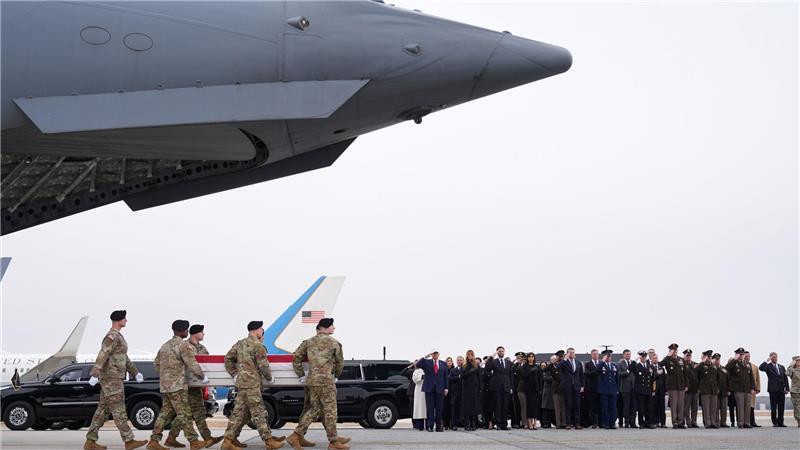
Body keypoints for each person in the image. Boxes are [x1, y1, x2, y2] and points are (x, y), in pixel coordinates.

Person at [84, 310, 147, 450]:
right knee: (119, 409)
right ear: (119, 320)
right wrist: (95, 372)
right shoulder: (112, 336)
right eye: (125, 318)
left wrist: (135, 373)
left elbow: (124, 357)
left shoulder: (119, 336)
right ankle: (129, 440)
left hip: (114, 377)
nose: (126, 320)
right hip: (111, 378)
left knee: (102, 411)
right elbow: (104, 353)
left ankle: (90, 441)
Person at [286, 318, 348, 450]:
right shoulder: (334, 343)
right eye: (332, 326)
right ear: (325, 328)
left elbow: (296, 357)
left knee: (315, 408)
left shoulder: (308, 342)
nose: (334, 328)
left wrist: (301, 374)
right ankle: (299, 435)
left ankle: (333, 438)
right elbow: (340, 363)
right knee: (329, 411)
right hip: (326, 382)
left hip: (312, 382)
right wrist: (336, 375)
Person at [222, 321, 285, 450]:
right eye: (261, 329)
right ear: (256, 330)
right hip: (252, 384)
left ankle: (229, 441)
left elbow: (228, 358)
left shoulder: (240, 344)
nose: (262, 331)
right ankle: (268, 441)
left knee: (240, 413)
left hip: (242, 383)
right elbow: (263, 365)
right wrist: (269, 377)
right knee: (259, 412)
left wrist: (234, 374)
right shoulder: (258, 346)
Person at [147, 320, 209, 450]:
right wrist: (202, 377)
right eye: (186, 330)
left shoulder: (165, 346)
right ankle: (194, 441)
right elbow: (191, 363)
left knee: (165, 413)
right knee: (185, 413)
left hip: (166, 386)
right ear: (182, 331)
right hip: (178, 386)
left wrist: (166, 376)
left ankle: (154, 441)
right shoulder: (183, 345)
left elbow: (156, 363)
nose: (187, 332)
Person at [163, 325, 223, 448]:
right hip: (185, 385)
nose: (204, 334)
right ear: (196, 333)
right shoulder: (184, 346)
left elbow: (207, 364)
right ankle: (180, 438)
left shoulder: (202, 348)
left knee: (199, 412)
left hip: (196, 386)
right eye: (202, 332)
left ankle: (206, 438)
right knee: (185, 414)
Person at [413, 349, 449, 432]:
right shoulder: (427, 362)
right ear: (432, 354)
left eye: (436, 353)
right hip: (429, 388)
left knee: (439, 408)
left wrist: (446, 388)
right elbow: (418, 364)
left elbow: (445, 377)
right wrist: (426, 356)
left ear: (439, 354)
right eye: (434, 353)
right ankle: (430, 426)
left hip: (440, 388)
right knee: (430, 408)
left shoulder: (443, 363)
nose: (435, 355)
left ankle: (439, 426)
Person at [485, 346, 513, 430]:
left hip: (506, 387)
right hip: (496, 387)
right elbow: (487, 367)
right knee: (498, 406)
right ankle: (499, 424)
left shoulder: (508, 362)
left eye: (502, 351)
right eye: (499, 351)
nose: (501, 352)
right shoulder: (494, 361)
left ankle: (504, 424)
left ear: (504, 352)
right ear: (497, 352)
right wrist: (492, 356)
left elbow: (511, 375)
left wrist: (511, 387)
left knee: (505, 406)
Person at [726, 347, 754, 429]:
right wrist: (734, 359)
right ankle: (740, 423)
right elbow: (727, 368)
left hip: (747, 389)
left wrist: (752, 387)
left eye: (742, 354)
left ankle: (747, 422)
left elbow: (751, 377)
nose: (742, 356)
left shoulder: (747, 364)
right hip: (738, 389)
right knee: (740, 406)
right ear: (737, 354)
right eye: (740, 354)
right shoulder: (734, 363)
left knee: (747, 406)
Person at [759, 352, 790, 427]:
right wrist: (767, 360)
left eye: (775, 357)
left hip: (781, 389)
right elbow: (760, 368)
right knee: (773, 407)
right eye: (773, 357)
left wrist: (787, 388)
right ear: (770, 358)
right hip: (773, 389)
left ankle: (780, 422)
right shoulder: (768, 366)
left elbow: (785, 378)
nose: (775, 358)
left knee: (781, 406)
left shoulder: (781, 367)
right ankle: (775, 422)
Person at [660, 343, 687, 428]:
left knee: (681, 405)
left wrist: (686, 384)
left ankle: (681, 421)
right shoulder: (667, 359)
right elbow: (660, 365)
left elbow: (685, 373)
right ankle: (674, 422)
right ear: (670, 351)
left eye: (676, 350)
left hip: (681, 385)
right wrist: (668, 356)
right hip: (672, 386)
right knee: (674, 405)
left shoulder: (681, 360)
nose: (675, 352)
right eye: (673, 350)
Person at [558, 347, 584, 430]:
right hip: (567, 386)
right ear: (567, 353)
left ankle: (577, 423)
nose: (572, 354)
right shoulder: (564, 362)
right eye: (570, 352)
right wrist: (564, 359)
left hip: (576, 386)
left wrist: (582, 386)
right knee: (568, 405)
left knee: (577, 405)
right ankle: (568, 423)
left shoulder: (578, 362)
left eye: (573, 352)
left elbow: (581, 375)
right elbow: (558, 367)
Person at [696, 350, 719, 428]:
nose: (709, 358)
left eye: (710, 357)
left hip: (713, 390)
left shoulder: (714, 366)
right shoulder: (701, 366)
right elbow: (695, 371)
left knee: (713, 408)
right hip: (705, 390)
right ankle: (707, 423)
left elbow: (718, 378)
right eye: (708, 357)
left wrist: (717, 388)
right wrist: (702, 362)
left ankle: (713, 422)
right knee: (706, 408)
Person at [631, 350, 654, 428]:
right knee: (641, 408)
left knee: (649, 408)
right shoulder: (637, 366)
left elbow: (652, 377)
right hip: (640, 390)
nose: (644, 358)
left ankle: (648, 422)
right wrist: (635, 360)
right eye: (642, 357)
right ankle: (641, 423)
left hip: (648, 390)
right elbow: (630, 367)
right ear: (640, 357)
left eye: (645, 357)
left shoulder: (649, 366)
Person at [596, 350, 619, 429]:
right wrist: (602, 361)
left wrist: (617, 389)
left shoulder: (614, 366)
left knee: (613, 407)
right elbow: (597, 370)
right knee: (604, 407)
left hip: (612, 390)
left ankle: (612, 423)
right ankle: (606, 423)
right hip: (604, 390)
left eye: (609, 356)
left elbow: (617, 379)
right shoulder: (601, 365)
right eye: (607, 356)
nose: (608, 358)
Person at [460, 350, 482, 431]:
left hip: (475, 388)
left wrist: (480, 388)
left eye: (471, 354)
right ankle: (467, 423)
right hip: (467, 389)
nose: (470, 356)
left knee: (474, 407)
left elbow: (480, 378)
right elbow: (462, 376)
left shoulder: (477, 365)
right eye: (469, 354)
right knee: (467, 407)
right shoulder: (464, 365)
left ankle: (473, 423)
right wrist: (469, 372)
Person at [521, 353, 543, 430]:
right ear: (527, 358)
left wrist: (540, 389)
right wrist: (531, 371)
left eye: (532, 357)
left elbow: (541, 378)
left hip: (536, 389)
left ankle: (535, 422)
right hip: (528, 389)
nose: (531, 358)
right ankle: (529, 422)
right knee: (529, 406)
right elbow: (524, 376)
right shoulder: (525, 366)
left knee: (535, 406)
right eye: (529, 357)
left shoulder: (537, 367)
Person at [617, 349, 636, 428]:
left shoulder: (633, 363)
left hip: (633, 388)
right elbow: (619, 374)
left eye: (629, 354)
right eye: (627, 354)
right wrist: (627, 371)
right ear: (623, 355)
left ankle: (633, 422)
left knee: (633, 406)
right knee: (626, 406)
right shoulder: (620, 363)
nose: (628, 355)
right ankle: (627, 422)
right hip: (625, 388)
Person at [583, 349, 600, 428]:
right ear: (591, 355)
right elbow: (588, 374)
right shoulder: (587, 364)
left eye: (596, 354)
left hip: (600, 388)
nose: (595, 355)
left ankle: (601, 422)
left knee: (600, 406)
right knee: (592, 406)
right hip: (591, 388)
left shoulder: (601, 363)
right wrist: (597, 369)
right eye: (594, 354)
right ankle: (593, 423)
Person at [682, 349, 700, 428]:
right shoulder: (682, 364)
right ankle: (688, 421)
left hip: (695, 389)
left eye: (689, 355)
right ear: (684, 356)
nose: (688, 357)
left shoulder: (695, 364)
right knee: (686, 407)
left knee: (695, 407)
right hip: (687, 389)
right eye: (687, 355)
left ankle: (694, 421)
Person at [743, 351, 761, 427]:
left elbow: (757, 378)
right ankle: (744, 422)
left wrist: (757, 388)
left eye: (748, 356)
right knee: (744, 407)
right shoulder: (741, 365)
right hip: (743, 390)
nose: (747, 357)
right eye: (746, 356)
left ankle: (752, 421)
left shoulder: (754, 367)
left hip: (752, 390)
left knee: (751, 406)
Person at [549, 351, 566, 429]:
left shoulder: (564, 365)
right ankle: (558, 423)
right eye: (560, 357)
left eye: (562, 357)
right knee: (557, 407)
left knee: (564, 407)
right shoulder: (553, 366)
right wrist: (552, 363)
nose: (561, 358)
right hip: (556, 388)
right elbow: (546, 370)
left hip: (564, 388)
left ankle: (564, 422)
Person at [650, 352, 667, 428]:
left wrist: (665, 389)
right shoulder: (650, 367)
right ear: (651, 359)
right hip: (654, 390)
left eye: (656, 358)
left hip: (661, 390)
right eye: (653, 358)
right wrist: (657, 373)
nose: (655, 359)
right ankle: (655, 421)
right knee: (654, 406)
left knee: (662, 407)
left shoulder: (661, 367)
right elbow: (652, 377)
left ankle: (663, 422)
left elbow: (664, 379)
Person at [713, 353, 730, 428]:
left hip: (724, 391)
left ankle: (723, 422)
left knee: (724, 408)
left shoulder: (723, 368)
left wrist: (729, 390)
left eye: (718, 359)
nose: (717, 361)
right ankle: (716, 422)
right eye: (716, 359)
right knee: (716, 408)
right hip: (715, 391)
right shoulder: (712, 368)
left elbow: (728, 380)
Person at [448, 356, 464, 430]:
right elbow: (450, 379)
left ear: (463, 361)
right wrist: (458, 377)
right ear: (456, 361)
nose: (459, 361)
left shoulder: (465, 370)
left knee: (464, 409)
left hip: (464, 393)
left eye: (461, 360)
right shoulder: (453, 370)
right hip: (455, 393)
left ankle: (465, 424)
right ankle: (454, 425)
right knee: (454, 410)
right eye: (458, 360)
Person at [511, 352, 525, 428]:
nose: (520, 359)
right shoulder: (514, 366)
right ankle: (516, 422)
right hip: (516, 388)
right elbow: (512, 373)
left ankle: (523, 422)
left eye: (521, 357)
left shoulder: (525, 366)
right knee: (516, 406)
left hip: (523, 388)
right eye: (518, 357)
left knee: (523, 406)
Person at [411, 364, 427, 430]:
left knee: (427, 408)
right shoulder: (417, 371)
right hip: (419, 391)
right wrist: (422, 377)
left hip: (427, 390)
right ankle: (420, 426)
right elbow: (414, 379)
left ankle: (428, 426)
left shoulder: (428, 370)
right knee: (420, 408)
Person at [481, 356, 494, 429]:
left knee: (491, 408)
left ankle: (491, 422)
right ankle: (486, 422)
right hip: (485, 391)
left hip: (492, 391)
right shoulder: (483, 370)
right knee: (485, 407)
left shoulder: (494, 369)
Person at [540, 360, 555, 428]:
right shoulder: (544, 371)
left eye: (544, 365)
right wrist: (555, 377)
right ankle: (545, 423)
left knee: (551, 408)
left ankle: (550, 422)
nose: (543, 367)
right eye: (542, 365)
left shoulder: (552, 370)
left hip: (552, 391)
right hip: (546, 391)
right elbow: (546, 378)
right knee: (545, 408)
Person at [788, 356, 800, 427]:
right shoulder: (792, 369)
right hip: (795, 391)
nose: (799, 362)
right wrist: (791, 365)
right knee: (797, 407)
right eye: (797, 360)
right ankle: (799, 420)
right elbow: (787, 373)